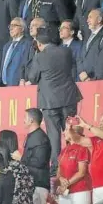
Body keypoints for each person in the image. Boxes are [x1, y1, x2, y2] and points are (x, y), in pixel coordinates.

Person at [26, 27, 82, 169]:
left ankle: (57, 167)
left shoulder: (39, 56)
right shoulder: (66, 51)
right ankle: (76, 162)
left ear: (39, 44)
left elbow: (32, 78)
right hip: (69, 97)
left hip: (49, 101)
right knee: (71, 131)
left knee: (54, 135)